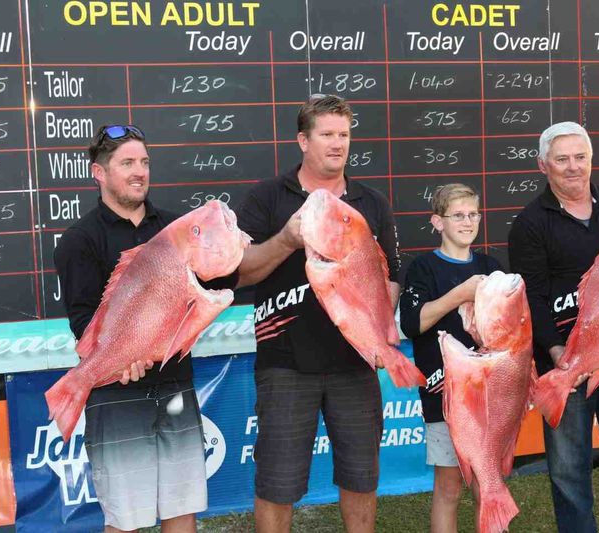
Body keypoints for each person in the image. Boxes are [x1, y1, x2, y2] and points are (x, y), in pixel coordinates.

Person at [54, 124, 234, 532]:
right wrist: (118, 362)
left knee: (181, 508)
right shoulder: (78, 241)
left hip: (174, 385)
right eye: (127, 163)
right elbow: (84, 322)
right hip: (116, 393)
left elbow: (217, 285)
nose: (139, 171)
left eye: (145, 162)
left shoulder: (179, 230)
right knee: (126, 518)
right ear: (99, 173)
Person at [236, 94, 400, 533]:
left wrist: (380, 329)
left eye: (344, 134)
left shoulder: (372, 203)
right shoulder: (268, 198)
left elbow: (391, 278)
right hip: (285, 364)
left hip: (355, 364)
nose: (337, 144)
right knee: (277, 483)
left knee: (361, 478)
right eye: (326, 134)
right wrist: (286, 241)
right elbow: (238, 273)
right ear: (302, 141)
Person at [508, 121, 599, 533]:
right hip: (565, 369)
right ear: (543, 165)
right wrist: (560, 355)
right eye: (562, 159)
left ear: (591, 159)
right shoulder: (529, 224)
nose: (572, 167)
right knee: (570, 476)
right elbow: (532, 299)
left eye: (580, 157)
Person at [399, 183, 500, 533]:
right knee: (449, 486)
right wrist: (461, 293)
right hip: (444, 397)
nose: (467, 221)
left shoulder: (491, 265)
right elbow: (412, 324)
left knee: (489, 485)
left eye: (473, 214)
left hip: (489, 396)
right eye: (457, 215)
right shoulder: (423, 268)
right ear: (437, 222)